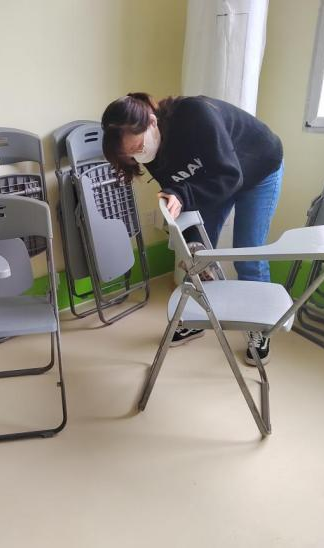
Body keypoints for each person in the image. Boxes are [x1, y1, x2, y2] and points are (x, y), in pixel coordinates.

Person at [101, 93, 284, 366]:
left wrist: (182, 195)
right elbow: (178, 193)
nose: (139, 155)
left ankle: (261, 327)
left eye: (138, 146)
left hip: (258, 168)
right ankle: (199, 319)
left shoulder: (195, 114)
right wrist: (190, 247)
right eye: (131, 155)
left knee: (249, 253)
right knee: (197, 258)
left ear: (152, 122)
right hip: (214, 178)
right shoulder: (149, 149)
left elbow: (229, 176)